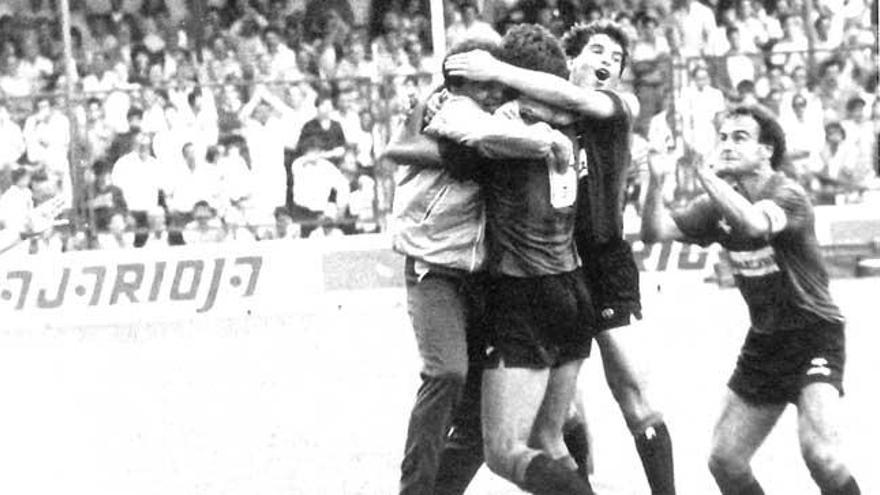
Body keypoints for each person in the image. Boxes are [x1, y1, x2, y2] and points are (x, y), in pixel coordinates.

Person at [445, 19, 676, 494]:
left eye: (617, 59)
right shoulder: (536, 113)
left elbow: (566, 105)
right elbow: (555, 104)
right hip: (567, 271)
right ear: (571, 61)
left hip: (597, 265)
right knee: (559, 420)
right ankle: (580, 482)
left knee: (628, 393)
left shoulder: (613, 106)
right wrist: (514, 106)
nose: (608, 62)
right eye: (597, 51)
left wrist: (498, 80)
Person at [383, 35, 580, 495]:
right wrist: (548, 140)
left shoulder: (502, 110)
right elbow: (481, 137)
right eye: (483, 83)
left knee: (483, 412)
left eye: (497, 82)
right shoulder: (448, 108)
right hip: (437, 269)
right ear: (459, 81)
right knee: (447, 373)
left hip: (484, 279)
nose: (493, 93)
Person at [640, 105, 862, 495]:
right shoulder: (718, 206)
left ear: (767, 151)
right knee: (725, 460)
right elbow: (656, 232)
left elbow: (755, 223)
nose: (726, 145)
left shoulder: (787, 194)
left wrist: (706, 176)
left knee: (822, 457)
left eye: (739, 137)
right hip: (766, 341)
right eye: (722, 137)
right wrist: (655, 182)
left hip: (814, 334)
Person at [427, 24, 598, 494]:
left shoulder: (507, 126)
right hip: (573, 288)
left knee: (504, 451)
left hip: (526, 295)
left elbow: (450, 142)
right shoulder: (578, 120)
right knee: (549, 438)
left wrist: (443, 104)